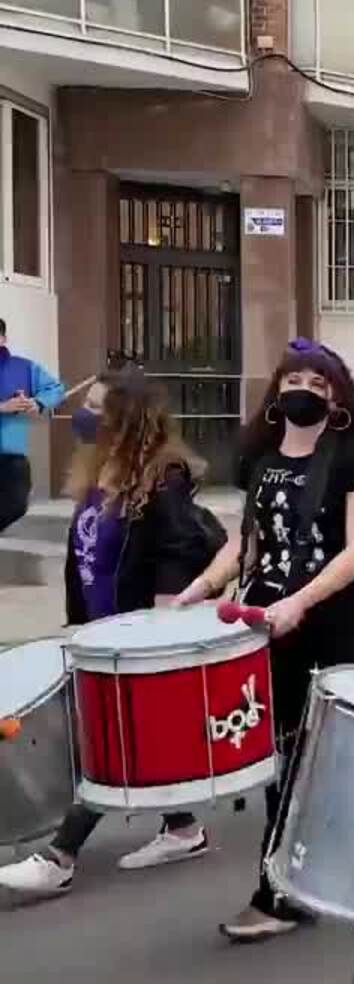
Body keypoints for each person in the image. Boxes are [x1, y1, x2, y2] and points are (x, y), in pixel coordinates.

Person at [172, 339, 354, 942]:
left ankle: (285, 890)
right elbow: (248, 544)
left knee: (318, 758)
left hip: (334, 618)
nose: (304, 391)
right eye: (294, 379)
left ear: (337, 395)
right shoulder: (260, 458)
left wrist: (300, 601)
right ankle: (290, 884)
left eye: (319, 383)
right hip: (266, 619)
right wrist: (201, 588)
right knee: (280, 756)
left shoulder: (353, 457)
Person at [0, 370, 220, 898]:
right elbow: (87, 556)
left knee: (110, 744)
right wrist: (79, 622)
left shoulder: (162, 476)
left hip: (136, 632)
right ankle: (184, 828)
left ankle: (61, 856)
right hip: (99, 628)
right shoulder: (103, 469)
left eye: (98, 408)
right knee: (124, 738)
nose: (86, 416)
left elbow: (178, 547)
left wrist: (158, 626)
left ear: (127, 417)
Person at [0, 318, 65, 535]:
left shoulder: (24, 367)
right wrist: (2, 407)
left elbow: (56, 388)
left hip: (13, 453)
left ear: (3, 339)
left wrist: (36, 402)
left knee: (17, 505)